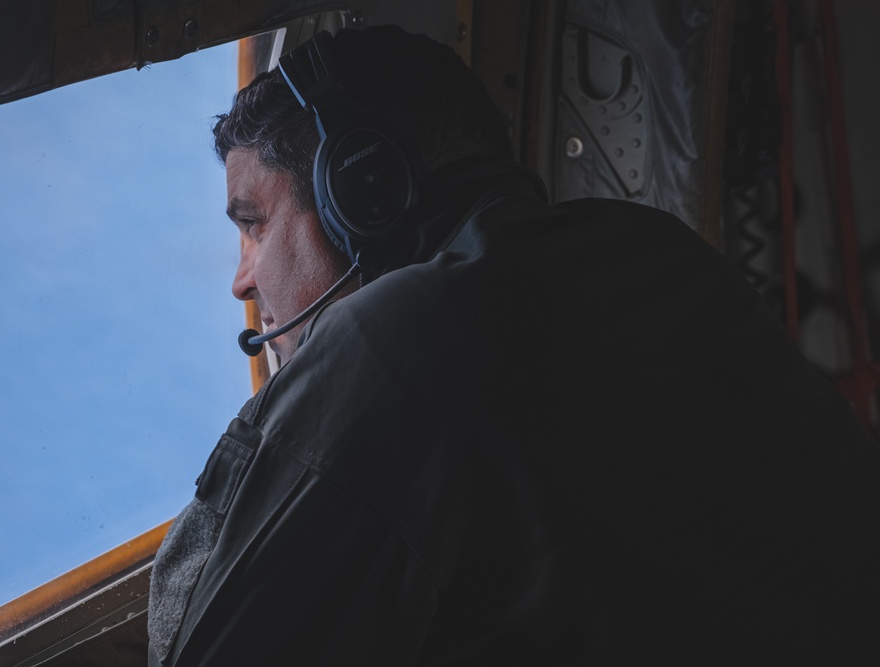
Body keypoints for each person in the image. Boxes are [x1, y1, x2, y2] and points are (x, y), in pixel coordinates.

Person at [147, 25, 880, 665]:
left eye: (253, 223)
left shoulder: (398, 339)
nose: (242, 280)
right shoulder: (654, 247)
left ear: (362, 193)